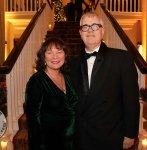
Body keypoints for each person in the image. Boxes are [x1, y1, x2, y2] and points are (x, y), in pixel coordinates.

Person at [70, 12, 140, 150]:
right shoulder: (73, 63)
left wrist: (130, 134)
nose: (90, 30)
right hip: (81, 137)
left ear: (102, 30)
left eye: (95, 26)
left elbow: (131, 100)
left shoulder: (122, 58)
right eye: (85, 27)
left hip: (111, 136)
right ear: (80, 33)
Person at [25, 37, 78, 150]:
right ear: (43, 57)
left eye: (59, 52)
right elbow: (33, 119)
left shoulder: (68, 78)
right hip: (49, 143)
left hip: (73, 141)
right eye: (49, 52)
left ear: (65, 56)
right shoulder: (37, 81)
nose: (55, 57)